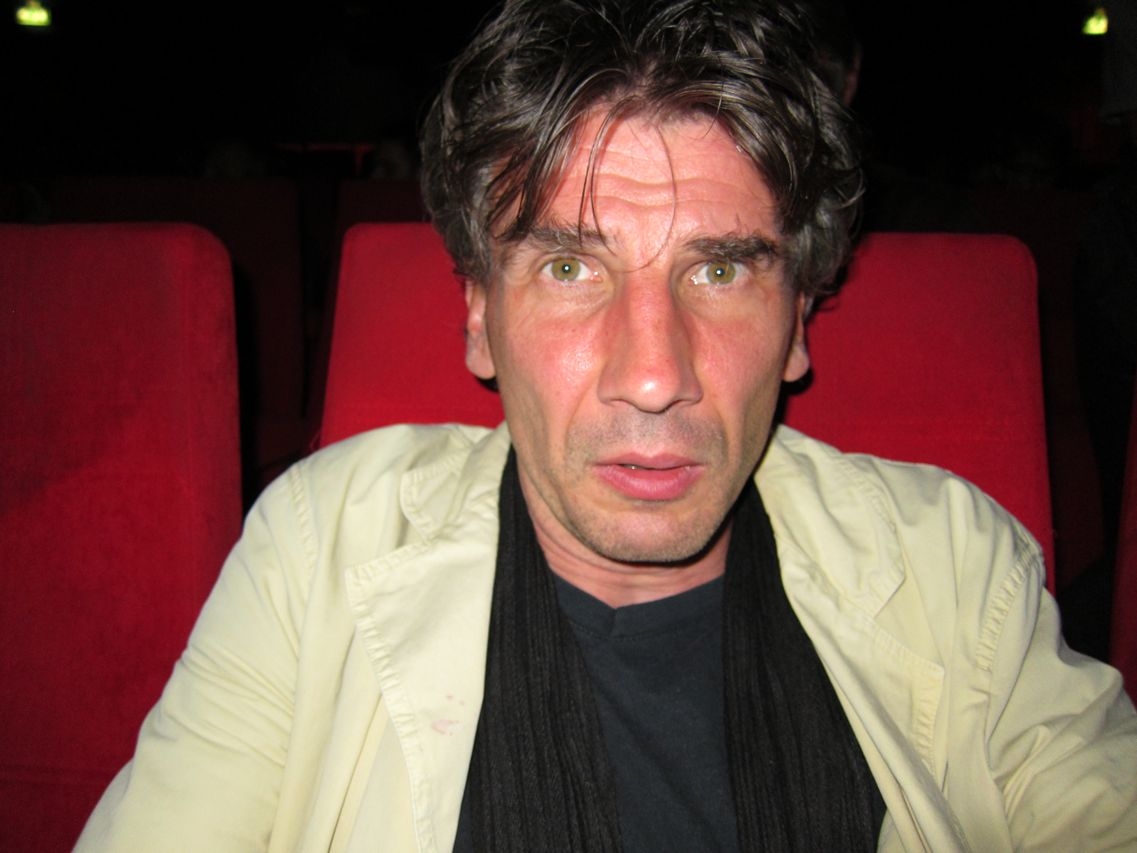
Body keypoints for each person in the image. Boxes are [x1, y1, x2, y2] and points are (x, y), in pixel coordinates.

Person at [76, 0, 1137, 850]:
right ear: (479, 316)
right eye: (569, 268)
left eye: (719, 271)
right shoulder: (317, 547)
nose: (653, 376)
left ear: (797, 323)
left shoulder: (955, 566)